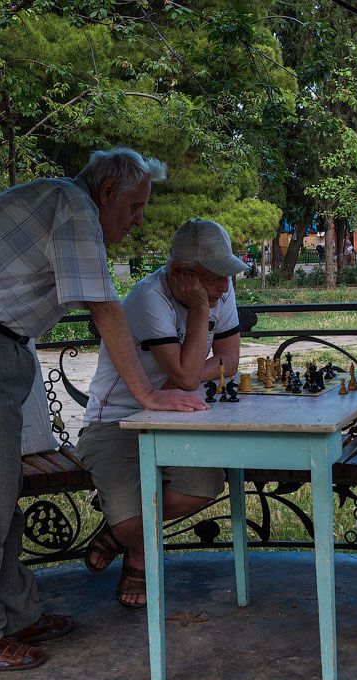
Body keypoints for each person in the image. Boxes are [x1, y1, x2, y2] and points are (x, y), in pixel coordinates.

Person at [0, 147, 208, 672]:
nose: (139, 220)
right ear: (107, 192)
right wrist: (147, 394)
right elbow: (103, 306)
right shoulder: (73, 206)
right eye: (135, 206)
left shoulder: (65, 203)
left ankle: (13, 614)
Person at [77, 218, 246, 608]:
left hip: (178, 414)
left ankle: (120, 535)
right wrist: (202, 310)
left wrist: (183, 379)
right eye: (214, 278)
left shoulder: (221, 289)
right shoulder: (147, 299)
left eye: (226, 276)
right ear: (180, 274)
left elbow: (230, 360)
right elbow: (190, 374)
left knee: (203, 487)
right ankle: (136, 548)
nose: (225, 286)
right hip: (116, 421)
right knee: (132, 522)